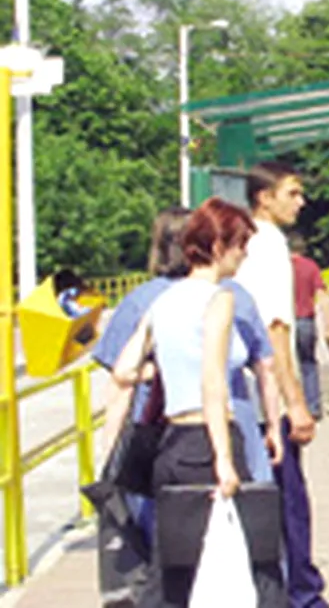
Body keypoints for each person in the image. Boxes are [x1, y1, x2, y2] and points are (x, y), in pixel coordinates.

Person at [111, 198, 285, 608]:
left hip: (171, 444)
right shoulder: (219, 299)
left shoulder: (164, 301)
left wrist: (165, 374)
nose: (243, 256)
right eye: (241, 245)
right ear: (220, 244)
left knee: (174, 567)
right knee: (247, 560)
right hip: (209, 440)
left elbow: (123, 371)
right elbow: (213, 380)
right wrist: (224, 458)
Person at [232, 160, 329, 608]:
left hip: (245, 395)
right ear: (264, 198)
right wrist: (296, 404)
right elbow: (276, 332)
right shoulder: (268, 246)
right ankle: (302, 594)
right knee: (289, 497)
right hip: (266, 396)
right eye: (292, 192)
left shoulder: (245, 244)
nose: (301, 201)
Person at [289, 233, 327, 420]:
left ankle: (292, 404)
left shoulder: (281, 266)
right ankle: (313, 405)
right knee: (309, 363)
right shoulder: (310, 266)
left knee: (288, 365)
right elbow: (320, 291)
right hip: (306, 319)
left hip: (287, 320)